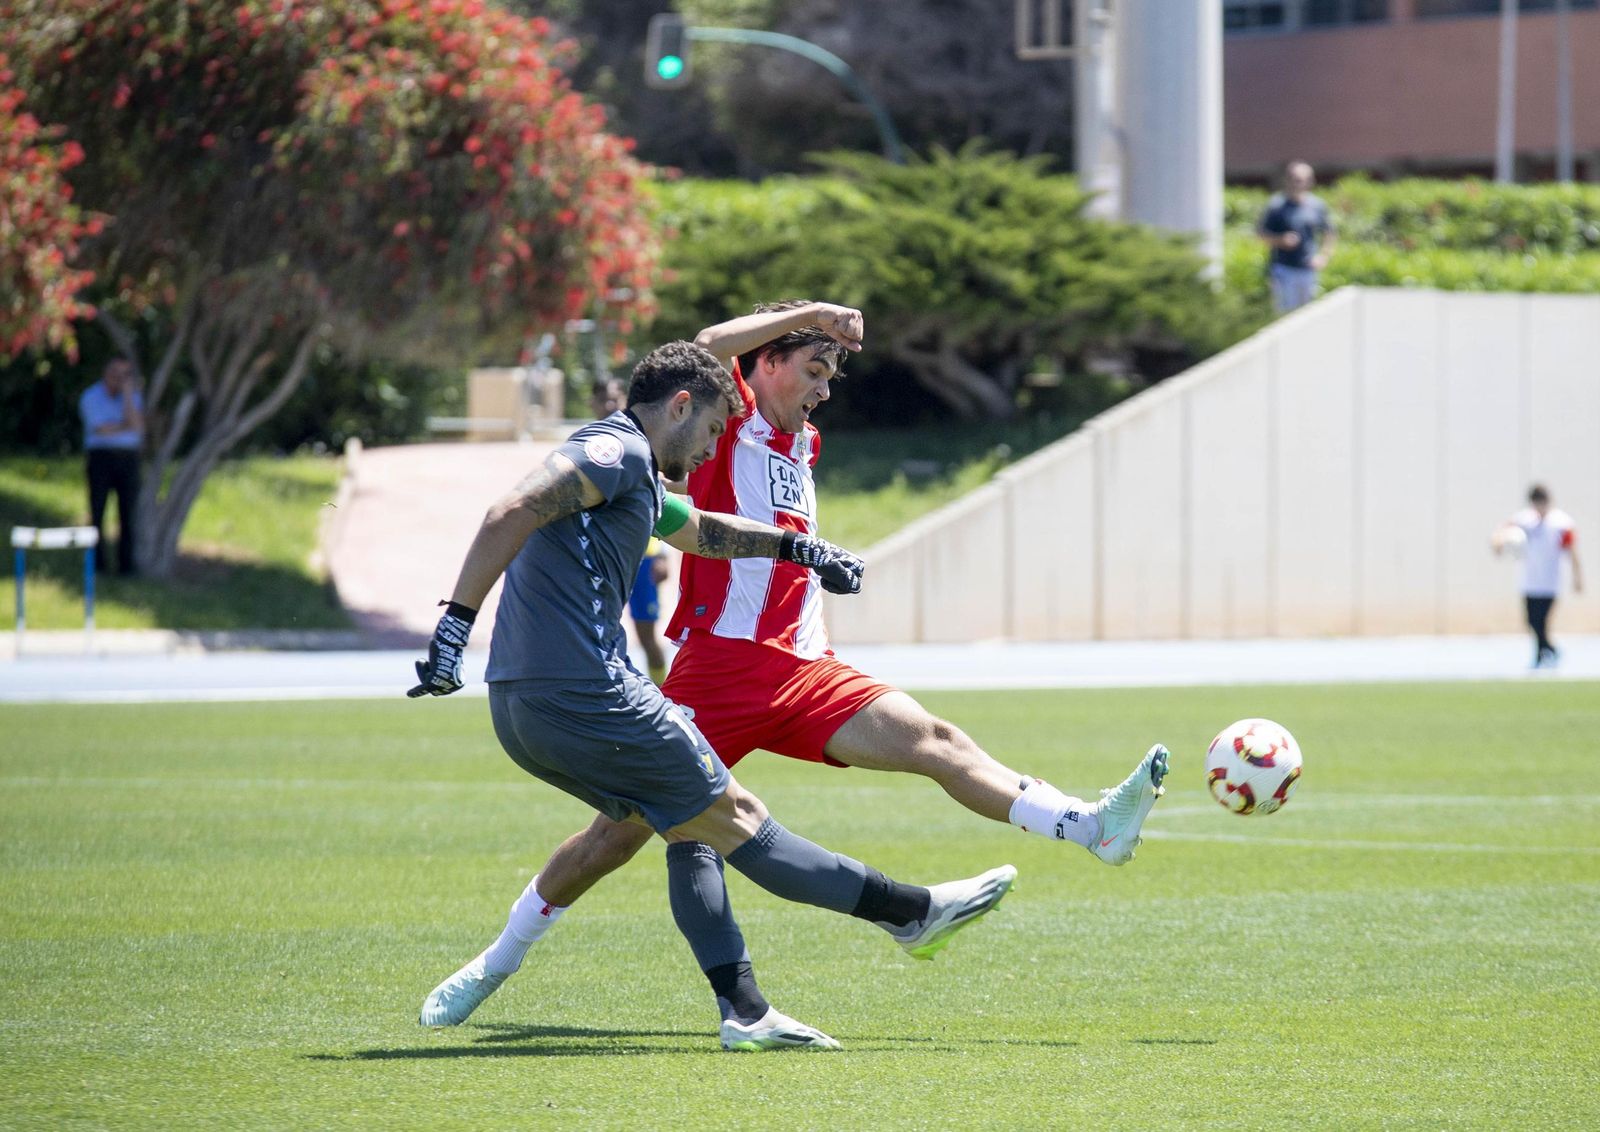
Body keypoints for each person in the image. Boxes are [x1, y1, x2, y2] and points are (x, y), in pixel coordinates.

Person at [418, 306, 1169, 1036]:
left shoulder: (797, 445)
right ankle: (497, 964)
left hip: (804, 667)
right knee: (629, 838)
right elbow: (706, 349)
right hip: (718, 670)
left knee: (934, 739)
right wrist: (810, 311)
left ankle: (1088, 826)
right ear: (763, 366)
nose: (825, 388)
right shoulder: (717, 419)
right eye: (813, 368)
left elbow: (719, 532)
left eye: (832, 374)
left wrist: (805, 550)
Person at [1493, 484, 1583, 669]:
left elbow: (1572, 550)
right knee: (1531, 621)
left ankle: (1541, 655)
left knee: (1541, 620)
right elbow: (1502, 532)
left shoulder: (1561, 523)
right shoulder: (1524, 520)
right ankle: (1549, 651)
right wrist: (1500, 543)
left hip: (1551, 581)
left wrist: (1577, 577)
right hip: (1529, 581)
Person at [78, 358, 144, 576]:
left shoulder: (132, 397)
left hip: (128, 459)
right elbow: (102, 430)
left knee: (128, 512)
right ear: (106, 373)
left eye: (126, 375)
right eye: (117, 374)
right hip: (101, 458)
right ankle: (98, 564)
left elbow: (138, 426)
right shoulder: (91, 396)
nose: (121, 379)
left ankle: (126, 566)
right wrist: (126, 426)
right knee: (97, 510)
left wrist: (126, 395)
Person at [1257, 161, 1336, 314]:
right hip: (1283, 268)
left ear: (1310, 181)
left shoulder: (1316, 205)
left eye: (1301, 180)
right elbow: (1260, 234)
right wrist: (1280, 240)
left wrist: (1323, 256)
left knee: (1307, 314)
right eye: (1293, 179)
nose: (1297, 184)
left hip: (1307, 269)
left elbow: (1329, 232)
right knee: (1285, 313)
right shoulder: (1276, 206)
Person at [630, 536, 672, 684]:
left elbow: (661, 514)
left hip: (645, 562)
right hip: (611, 557)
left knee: (647, 639)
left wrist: (663, 556)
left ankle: (662, 690)